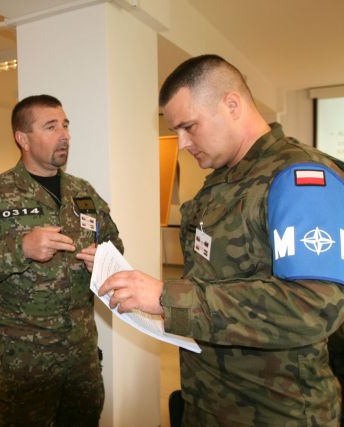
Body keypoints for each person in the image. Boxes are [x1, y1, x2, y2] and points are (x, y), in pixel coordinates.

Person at [99, 54, 344, 425]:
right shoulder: (222, 180)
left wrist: (166, 297)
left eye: (189, 127)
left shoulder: (299, 177)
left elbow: (312, 307)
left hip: (276, 410)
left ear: (232, 105)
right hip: (209, 398)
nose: (182, 143)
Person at [0, 94, 123, 426]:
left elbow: (115, 244)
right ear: (23, 139)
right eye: (51, 127)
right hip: (23, 363)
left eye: (65, 125)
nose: (64, 135)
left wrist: (103, 259)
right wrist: (21, 248)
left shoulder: (82, 192)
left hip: (80, 357)